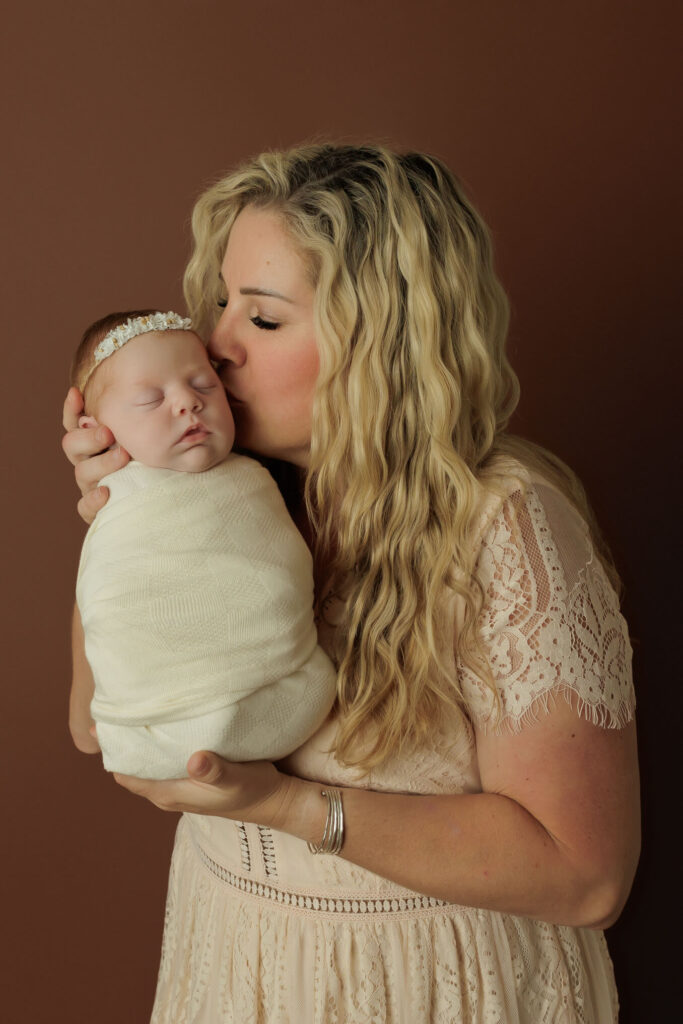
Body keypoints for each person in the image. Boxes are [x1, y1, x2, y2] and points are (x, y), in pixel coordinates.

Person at [62, 143, 640, 1023]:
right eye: (219, 302)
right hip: (239, 967)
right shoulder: (232, 499)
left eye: (260, 321)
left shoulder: (506, 527)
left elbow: (585, 873)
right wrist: (125, 510)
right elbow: (90, 725)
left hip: (434, 988)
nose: (213, 349)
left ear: (382, 342)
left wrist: (288, 806)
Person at [70, 309, 335, 779]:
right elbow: (112, 603)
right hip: (156, 715)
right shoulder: (117, 501)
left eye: (204, 385)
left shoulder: (252, 479)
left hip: (284, 691)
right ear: (95, 430)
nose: (187, 403)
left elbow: (276, 573)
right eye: (151, 399)